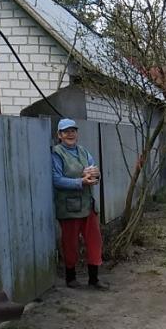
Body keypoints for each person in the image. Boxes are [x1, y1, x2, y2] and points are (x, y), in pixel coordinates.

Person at [51, 118, 109, 290]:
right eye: (66, 131)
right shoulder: (57, 153)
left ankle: (94, 279)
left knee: (94, 241)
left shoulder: (83, 151)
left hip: (88, 204)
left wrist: (95, 175)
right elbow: (56, 179)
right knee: (70, 243)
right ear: (59, 135)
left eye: (73, 131)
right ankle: (71, 277)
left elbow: (93, 169)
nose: (70, 134)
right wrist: (80, 182)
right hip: (69, 207)